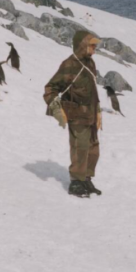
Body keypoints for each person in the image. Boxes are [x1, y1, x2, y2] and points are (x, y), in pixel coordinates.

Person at [44, 30, 103, 197]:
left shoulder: (90, 63)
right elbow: (50, 88)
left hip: (91, 114)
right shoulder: (69, 65)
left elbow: (92, 90)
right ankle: (76, 182)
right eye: (92, 46)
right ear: (82, 45)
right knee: (80, 148)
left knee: (93, 149)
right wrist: (57, 110)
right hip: (77, 114)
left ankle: (86, 179)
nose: (95, 49)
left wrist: (98, 110)